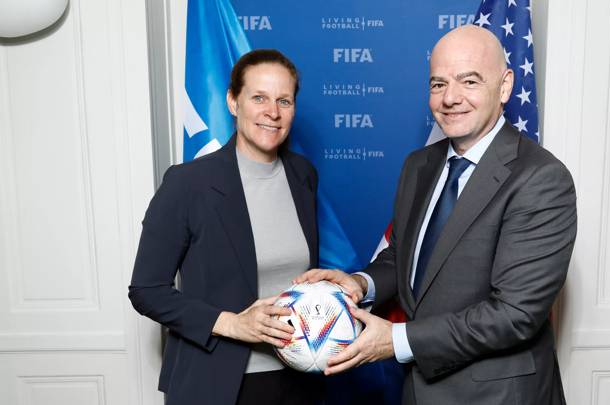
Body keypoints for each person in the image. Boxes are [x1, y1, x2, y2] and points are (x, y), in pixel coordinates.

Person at [295, 25, 577, 404]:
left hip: (498, 395)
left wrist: (397, 341)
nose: (451, 98)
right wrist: (360, 284)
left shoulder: (541, 178)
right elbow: (403, 259)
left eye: (469, 81)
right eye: (438, 84)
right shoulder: (420, 165)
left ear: (505, 85)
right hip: (418, 390)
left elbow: (514, 314)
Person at [129, 49, 323, 405]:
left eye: (284, 100)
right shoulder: (187, 183)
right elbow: (146, 290)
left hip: (300, 379)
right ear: (233, 102)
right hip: (216, 382)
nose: (273, 112)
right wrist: (232, 324)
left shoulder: (303, 175)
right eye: (259, 98)